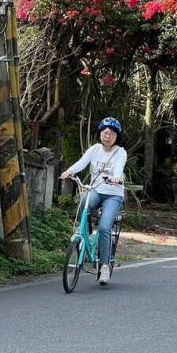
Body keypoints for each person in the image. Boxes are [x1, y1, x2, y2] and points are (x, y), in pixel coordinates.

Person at [60, 117, 127, 285]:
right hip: (96, 190)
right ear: (100, 134)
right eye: (105, 133)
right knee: (84, 201)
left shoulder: (120, 152)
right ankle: (83, 230)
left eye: (112, 134)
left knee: (104, 228)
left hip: (113, 194)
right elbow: (81, 163)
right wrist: (69, 171)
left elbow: (119, 168)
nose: (108, 136)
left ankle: (104, 266)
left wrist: (117, 178)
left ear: (117, 137)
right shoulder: (95, 149)